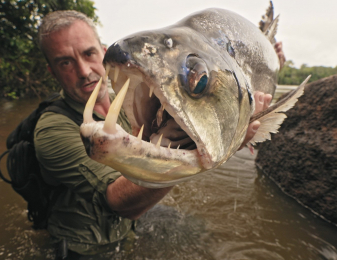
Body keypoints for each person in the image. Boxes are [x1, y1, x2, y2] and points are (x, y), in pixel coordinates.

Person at [34, 10, 279, 257]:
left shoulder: (129, 104)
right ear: (52, 72)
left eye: (89, 53)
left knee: (199, 233)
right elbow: (118, 202)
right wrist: (200, 156)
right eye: (65, 62)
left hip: (130, 228)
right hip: (87, 246)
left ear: (102, 49)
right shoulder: (51, 130)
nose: (84, 70)